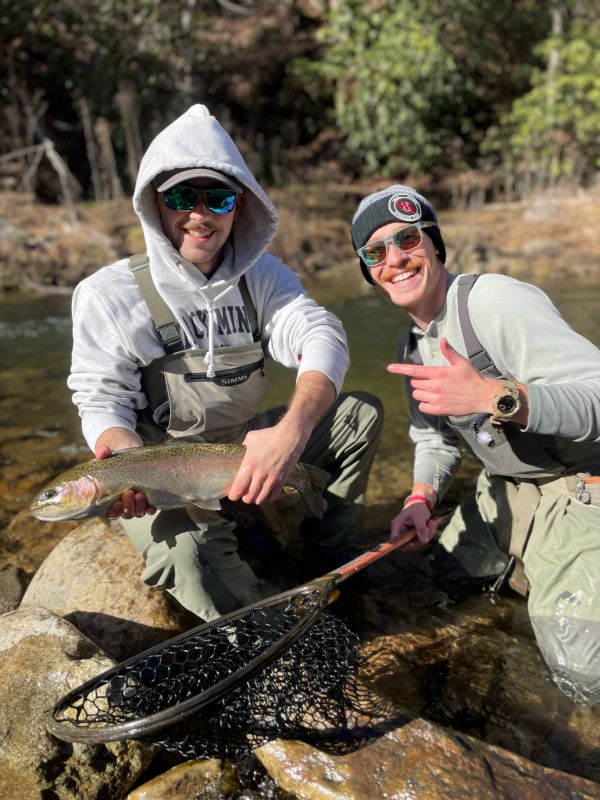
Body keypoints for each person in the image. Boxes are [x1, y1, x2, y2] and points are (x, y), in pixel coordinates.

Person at [68, 104, 383, 622]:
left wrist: (292, 433)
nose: (200, 214)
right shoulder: (109, 295)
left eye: (218, 197)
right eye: (180, 198)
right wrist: (129, 469)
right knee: (192, 560)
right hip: (164, 467)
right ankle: (272, 636)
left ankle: (324, 553)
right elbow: (102, 400)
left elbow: (320, 332)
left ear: (239, 207)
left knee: (360, 415)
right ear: (154, 204)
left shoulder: (263, 276)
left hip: (241, 449)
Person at [350, 184, 600, 706]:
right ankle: (537, 565)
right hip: (508, 485)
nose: (395, 259)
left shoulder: (495, 302)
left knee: (581, 670)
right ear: (370, 272)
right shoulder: (411, 344)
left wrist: (498, 396)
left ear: (435, 245)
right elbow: (434, 437)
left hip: (581, 483)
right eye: (375, 253)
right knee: (443, 574)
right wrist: (420, 498)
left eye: (408, 239)